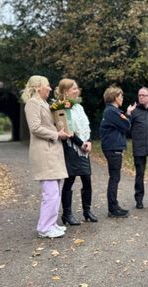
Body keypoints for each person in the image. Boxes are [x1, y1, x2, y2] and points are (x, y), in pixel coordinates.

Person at [23, 75, 70, 238]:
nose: (50, 88)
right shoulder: (32, 104)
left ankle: (51, 223)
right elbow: (35, 128)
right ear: (37, 87)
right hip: (44, 152)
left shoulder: (45, 103)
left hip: (52, 150)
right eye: (47, 85)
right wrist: (56, 134)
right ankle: (44, 228)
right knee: (50, 192)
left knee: (56, 190)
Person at [54, 78, 98, 225]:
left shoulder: (79, 107)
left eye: (77, 88)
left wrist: (89, 141)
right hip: (71, 148)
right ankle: (67, 214)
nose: (77, 90)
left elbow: (87, 126)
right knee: (70, 180)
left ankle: (87, 211)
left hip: (84, 148)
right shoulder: (61, 108)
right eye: (74, 88)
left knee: (87, 180)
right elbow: (68, 130)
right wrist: (81, 144)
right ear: (66, 91)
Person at [99, 85, 136, 218]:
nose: (122, 98)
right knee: (114, 178)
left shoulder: (113, 111)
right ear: (115, 97)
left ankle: (114, 206)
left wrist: (127, 115)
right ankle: (113, 208)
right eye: (121, 96)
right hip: (112, 148)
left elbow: (123, 123)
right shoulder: (111, 111)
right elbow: (126, 126)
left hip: (114, 147)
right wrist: (128, 116)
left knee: (115, 177)